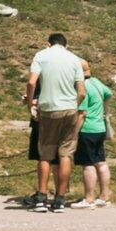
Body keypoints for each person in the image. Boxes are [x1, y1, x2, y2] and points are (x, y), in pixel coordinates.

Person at [22, 31, 85, 211]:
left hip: (49, 108)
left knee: (45, 153)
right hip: (69, 108)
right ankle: (60, 199)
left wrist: (31, 105)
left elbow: (32, 83)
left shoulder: (41, 55)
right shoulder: (74, 59)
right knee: (65, 153)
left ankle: (41, 197)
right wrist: (74, 104)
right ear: (65, 45)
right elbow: (81, 91)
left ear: (48, 43)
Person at [75, 63, 116, 208]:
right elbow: (109, 93)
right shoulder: (96, 82)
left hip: (87, 129)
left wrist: (74, 133)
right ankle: (104, 197)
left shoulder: (82, 87)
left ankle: (89, 198)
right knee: (101, 162)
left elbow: (82, 113)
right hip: (100, 128)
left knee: (88, 164)